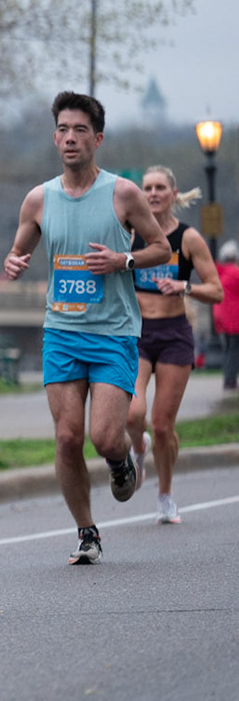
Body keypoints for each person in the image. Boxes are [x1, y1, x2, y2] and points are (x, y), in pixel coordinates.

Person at [0, 93, 171, 565]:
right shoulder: (39, 199)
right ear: (55, 138)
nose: (70, 138)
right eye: (63, 129)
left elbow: (161, 248)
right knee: (67, 437)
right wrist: (13, 262)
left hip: (113, 332)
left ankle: (120, 460)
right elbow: (18, 251)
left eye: (80, 130)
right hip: (61, 331)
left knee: (105, 436)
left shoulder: (123, 194)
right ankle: (87, 532)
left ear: (97, 139)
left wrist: (123, 260)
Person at [125, 167, 223, 523]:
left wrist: (185, 287)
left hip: (174, 335)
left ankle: (165, 496)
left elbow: (217, 290)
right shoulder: (131, 234)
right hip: (137, 334)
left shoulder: (188, 238)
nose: (153, 193)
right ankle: (139, 447)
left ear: (173, 194)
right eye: (147, 188)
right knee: (133, 414)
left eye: (160, 187)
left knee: (163, 425)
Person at [217, 242, 239, 392]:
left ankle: (228, 378)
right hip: (235, 318)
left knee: (228, 349)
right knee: (234, 351)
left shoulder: (221, 273)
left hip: (222, 318)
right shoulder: (234, 273)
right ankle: (230, 380)